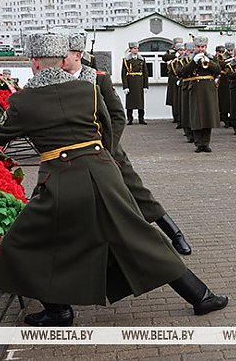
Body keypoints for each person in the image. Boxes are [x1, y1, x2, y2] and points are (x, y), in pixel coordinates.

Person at [0, 33, 226, 327]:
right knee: (140, 238)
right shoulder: (88, 89)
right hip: (105, 173)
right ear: (62, 59)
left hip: (62, 181)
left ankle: (58, 309)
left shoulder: (24, 103)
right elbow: (106, 129)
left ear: (35, 63)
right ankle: (201, 296)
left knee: (23, 244)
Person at [64, 34, 192, 255]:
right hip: (77, 154)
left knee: (139, 193)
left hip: (108, 149)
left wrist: (107, 148)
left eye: (62, 54)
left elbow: (117, 117)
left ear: (76, 54)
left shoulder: (98, 78)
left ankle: (175, 234)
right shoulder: (58, 80)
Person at [179, 36, 221, 153]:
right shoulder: (189, 59)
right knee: (197, 117)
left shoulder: (212, 58)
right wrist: (194, 62)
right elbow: (182, 72)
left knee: (208, 117)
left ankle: (206, 143)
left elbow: (218, 70)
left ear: (206, 47)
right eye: (198, 47)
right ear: (195, 47)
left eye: (203, 47)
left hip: (208, 89)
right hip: (195, 89)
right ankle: (198, 143)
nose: (201, 49)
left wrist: (209, 61)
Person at [121, 42, 148, 125]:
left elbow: (145, 73)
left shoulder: (141, 59)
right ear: (131, 49)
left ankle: (141, 118)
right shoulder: (126, 60)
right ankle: (130, 118)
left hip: (139, 82)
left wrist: (145, 86)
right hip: (130, 83)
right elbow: (123, 74)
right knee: (130, 103)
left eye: (137, 48)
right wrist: (125, 86)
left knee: (140, 102)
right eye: (134, 48)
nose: (136, 50)